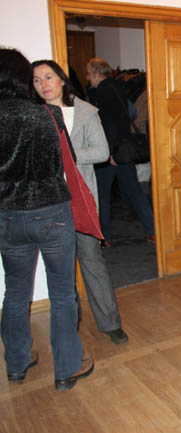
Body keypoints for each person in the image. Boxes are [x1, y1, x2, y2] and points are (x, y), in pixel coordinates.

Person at [0, 48, 93, 391]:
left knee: (15, 291)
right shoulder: (48, 114)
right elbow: (65, 163)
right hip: (51, 212)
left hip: (8, 215)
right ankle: (67, 368)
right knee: (63, 292)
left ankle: (16, 363)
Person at [32, 60, 129, 345]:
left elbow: (101, 151)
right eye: (37, 80)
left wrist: (65, 153)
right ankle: (67, 326)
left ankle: (110, 323)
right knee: (58, 268)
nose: (43, 85)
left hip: (81, 200)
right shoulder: (33, 116)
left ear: (62, 80)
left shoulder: (85, 112)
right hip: (49, 203)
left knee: (92, 260)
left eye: (48, 77)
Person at [86, 57, 155, 248]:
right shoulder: (117, 87)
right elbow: (130, 114)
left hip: (111, 151)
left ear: (97, 73)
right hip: (125, 150)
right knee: (134, 191)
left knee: (103, 195)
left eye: (89, 73)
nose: (87, 78)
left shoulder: (103, 91)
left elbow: (108, 125)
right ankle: (152, 230)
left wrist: (108, 153)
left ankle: (103, 237)